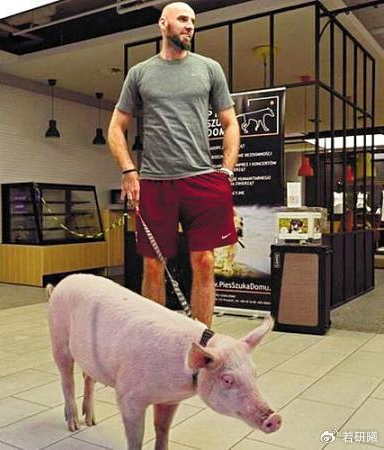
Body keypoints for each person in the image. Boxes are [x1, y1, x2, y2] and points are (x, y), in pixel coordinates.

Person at [108, 1, 240, 327]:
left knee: (204, 261)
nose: (189, 25)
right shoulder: (140, 73)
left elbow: (230, 123)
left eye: (192, 20)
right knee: (153, 265)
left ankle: (202, 342)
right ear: (163, 24)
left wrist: (226, 171)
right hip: (155, 182)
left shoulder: (209, 69)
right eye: (182, 19)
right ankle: (155, 339)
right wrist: (128, 170)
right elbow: (116, 128)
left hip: (202, 179)